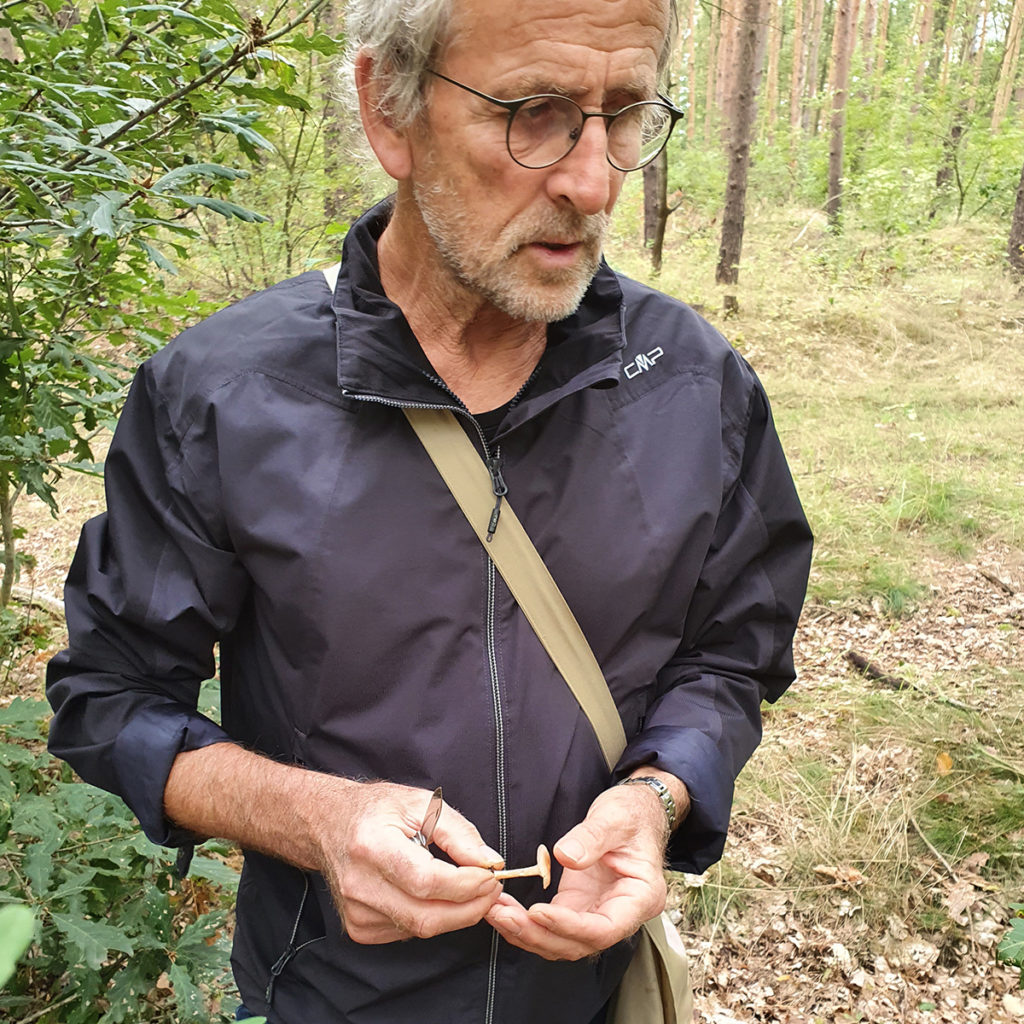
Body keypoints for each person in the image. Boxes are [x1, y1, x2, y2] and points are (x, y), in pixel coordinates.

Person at [46, 0, 813, 1020]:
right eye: (533, 111)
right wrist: (313, 816)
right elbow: (109, 700)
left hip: (586, 997)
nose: (591, 182)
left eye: (623, 113)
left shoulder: (691, 385)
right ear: (387, 109)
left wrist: (656, 796)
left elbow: (730, 657)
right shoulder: (221, 397)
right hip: (324, 995)